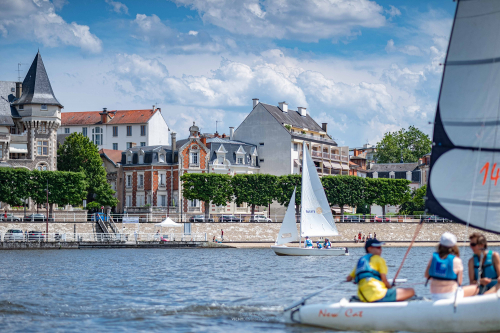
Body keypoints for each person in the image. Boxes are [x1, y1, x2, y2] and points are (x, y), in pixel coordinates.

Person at [346, 239, 415, 302]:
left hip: (363, 297)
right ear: (369, 249)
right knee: (411, 291)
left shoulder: (361, 261)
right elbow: (384, 280)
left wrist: (359, 280)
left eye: (381, 247)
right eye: (378, 247)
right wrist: (390, 288)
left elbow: (349, 278)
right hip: (378, 294)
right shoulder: (379, 260)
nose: (381, 250)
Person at [424, 232, 476, 300]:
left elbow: (426, 275)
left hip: (435, 295)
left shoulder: (433, 258)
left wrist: (439, 277)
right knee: (476, 288)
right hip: (451, 295)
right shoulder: (456, 260)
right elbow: (459, 282)